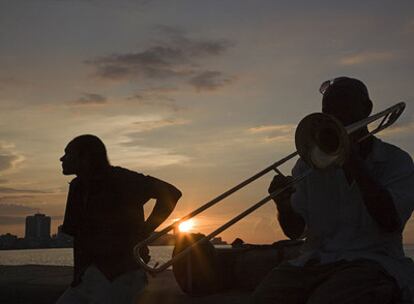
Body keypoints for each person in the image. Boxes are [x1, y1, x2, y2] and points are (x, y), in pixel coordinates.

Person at [252, 77, 414, 304]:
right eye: (328, 111)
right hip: (312, 263)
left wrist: (355, 164)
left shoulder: (397, 161)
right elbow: (295, 232)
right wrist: (283, 204)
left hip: (373, 262)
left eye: (343, 107)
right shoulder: (307, 164)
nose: (334, 117)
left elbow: (389, 221)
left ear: (367, 109)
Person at [56, 134, 182, 304]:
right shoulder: (77, 187)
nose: (62, 158)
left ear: (85, 157)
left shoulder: (123, 179)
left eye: (68, 153)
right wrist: (79, 276)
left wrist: (144, 231)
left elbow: (171, 193)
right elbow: (78, 236)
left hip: (122, 276)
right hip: (86, 278)